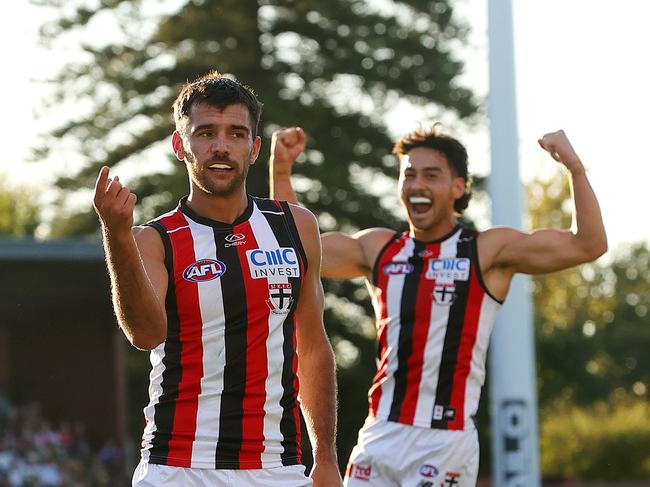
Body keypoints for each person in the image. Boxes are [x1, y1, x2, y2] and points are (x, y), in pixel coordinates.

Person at [269, 124, 607, 486]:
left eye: (431, 175)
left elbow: (588, 245)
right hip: (380, 433)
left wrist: (575, 168)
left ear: (458, 187)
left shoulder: (486, 250)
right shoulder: (379, 249)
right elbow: (294, 248)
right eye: (409, 175)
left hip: (444, 441)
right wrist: (281, 170)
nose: (417, 185)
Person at [93, 71, 343, 487]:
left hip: (276, 468)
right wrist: (116, 235)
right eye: (205, 133)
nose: (221, 146)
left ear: (254, 148)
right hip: (177, 465)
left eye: (236, 134)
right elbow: (145, 333)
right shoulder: (155, 239)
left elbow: (313, 346)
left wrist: (327, 457)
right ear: (180, 145)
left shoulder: (296, 227)